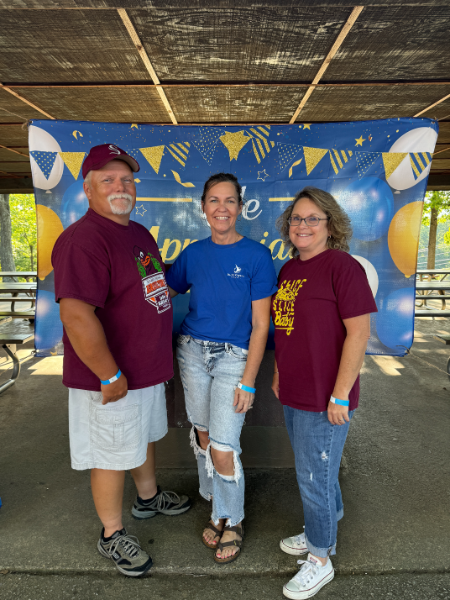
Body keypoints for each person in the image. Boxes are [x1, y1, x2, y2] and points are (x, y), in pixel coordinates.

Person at [51, 143, 191, 578]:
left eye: (126, 179)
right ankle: (112, 534)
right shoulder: (83, 239)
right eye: (108, 179)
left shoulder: (138, 233)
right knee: (111, 455)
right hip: (111, 379)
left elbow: (151, 285)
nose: (120, 186)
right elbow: (75, 313)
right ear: (88, 188)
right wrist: (108, 373)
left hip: (145, 371)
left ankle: (148, 499)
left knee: (143, 437)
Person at [166, 173, 277, 564]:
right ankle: (215, 499)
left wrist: (248, 382)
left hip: (234, 357)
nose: (222, 208)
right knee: (203, 433)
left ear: (241, 207)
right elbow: (161, 293)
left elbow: (262, 324)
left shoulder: (257, 256)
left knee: (224, 445)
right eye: (214, 200)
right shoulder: (193, 254)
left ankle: (231, 518)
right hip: (192, 352)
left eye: (230, 201)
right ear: (203, 207)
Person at [271, 186, 377, 599]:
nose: (303, 225)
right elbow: (285, 327)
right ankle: (325, 527)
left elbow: (359, 333)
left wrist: (340, 394)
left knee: (313, 476)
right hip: (295, 389)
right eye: (296, 218)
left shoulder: (342, 267)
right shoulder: (287, 270)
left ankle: (320, 559)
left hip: (325, 395)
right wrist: (279, 369)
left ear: (330, 225)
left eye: (313, 218)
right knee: (318, 470)